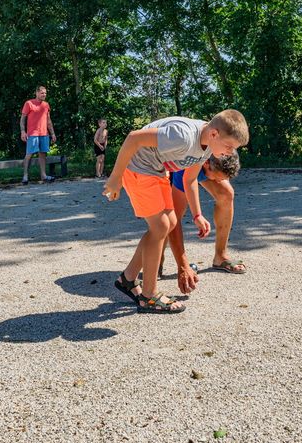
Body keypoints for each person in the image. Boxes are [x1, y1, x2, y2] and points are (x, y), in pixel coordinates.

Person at [101, 110, 249, 314]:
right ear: (214, 134)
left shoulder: (207, 146)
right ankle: (149, 296)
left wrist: (197, 215)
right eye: (229, 146)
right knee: (160, 226)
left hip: (156, 170)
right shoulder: (183, 136)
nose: (230, 152)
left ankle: (128, 278)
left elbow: (189, 180)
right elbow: (133, 138)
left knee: (169, 223)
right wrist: (115, 178)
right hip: (138, 167)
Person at [157, 152, 242, 294]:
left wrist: (198, 214)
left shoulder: (223, 148)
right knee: (169, 217)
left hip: (200, 164)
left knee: (226, 193)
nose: (218, 181)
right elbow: (174, 220)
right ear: (207, 163)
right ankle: (157, 260)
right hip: (164, 164)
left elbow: (217, 171)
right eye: (217, 177)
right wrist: (183, 266)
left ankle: (220, 256)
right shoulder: (185, 165)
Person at [20, 86, 57, 184]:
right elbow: (22, 119)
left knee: (43, 154)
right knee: (29, 154)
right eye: (42, 93)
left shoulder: (46, 105)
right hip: (32, 134)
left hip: (44, 133)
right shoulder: (29, 103)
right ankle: (25, 176)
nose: (44, 95)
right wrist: (23, 131)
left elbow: (48, 120)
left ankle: (43, 176)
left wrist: (52, 133)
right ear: (36, 93)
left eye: (45, 93)